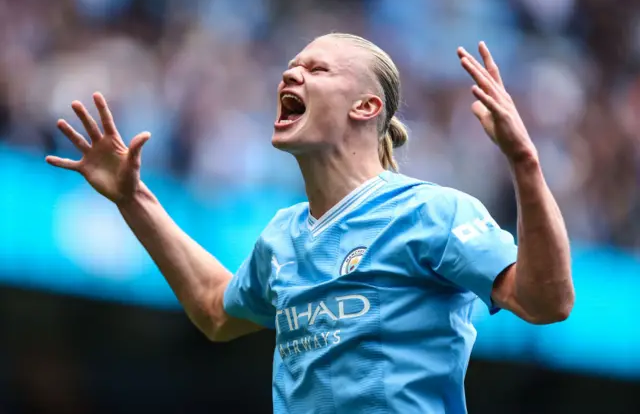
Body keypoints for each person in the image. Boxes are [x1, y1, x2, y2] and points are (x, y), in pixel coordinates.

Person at [46, 33, 575, 414]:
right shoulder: (282, 237)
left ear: (367, 106)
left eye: (317, 69)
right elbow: (214, 309)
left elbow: (546, 302)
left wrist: (524, 163)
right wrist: (133, 198)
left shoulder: (431, 212)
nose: (291, 74)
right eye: (292, 66)